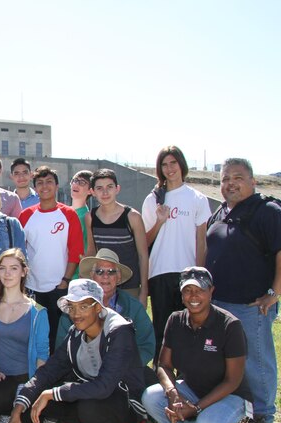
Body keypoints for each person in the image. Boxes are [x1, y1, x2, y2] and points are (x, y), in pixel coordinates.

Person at [5, 279, 147, 423]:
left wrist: (53, 393)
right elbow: (48, 371)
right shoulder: (75, 334)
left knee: (85, 405)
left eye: (83, 306)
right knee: (39, 399)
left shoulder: (119, 331)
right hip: (91, 393)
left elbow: (104, 386)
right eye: (72, 307)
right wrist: (17, 409)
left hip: (125, 401)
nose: (76, 314)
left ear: (98, 307)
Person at [205, 157, 281, 423]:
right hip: (219, 304)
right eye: (225, 179)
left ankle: (262, 416)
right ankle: (237, 410)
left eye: (238, 177)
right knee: (228, 362)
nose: (230, 183)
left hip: (250, 306)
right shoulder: (220, 212)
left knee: (256, 362)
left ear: (252, 182)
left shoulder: (266, 211)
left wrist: (274, 293)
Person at [142, 267, 250, 423]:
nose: (193, 296)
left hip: (230, 395)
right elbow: (164, 365)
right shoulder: (175, 320)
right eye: (187, 291)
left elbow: (233, 380)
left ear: (211, 292)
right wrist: (173, 395)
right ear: (181, 295)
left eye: (200, 290)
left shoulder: (230, 325)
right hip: (192, 387)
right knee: (151, 397)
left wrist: (197, 408)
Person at [142, 145, 211, 361]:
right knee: (162, 328)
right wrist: (160, 221)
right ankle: (160, 376)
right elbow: (144, 241)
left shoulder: (198, 199)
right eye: (164, 164)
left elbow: (201, 241)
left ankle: (188, 378)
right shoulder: (153, 199)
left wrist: (200, 276)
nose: (169, 168)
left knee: (190, 328)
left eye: (173, 163)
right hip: (160, 273)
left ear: (181, 165)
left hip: (187, 275)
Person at [0, 249, 48, 423]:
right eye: (2, 268)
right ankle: (7, 413)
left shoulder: (38, 312)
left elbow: (42, 354)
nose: (7, 274)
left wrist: (35, 388)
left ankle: (24, 405)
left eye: (13, 268)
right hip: (1, 376)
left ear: (24, 272)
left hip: (27, 378)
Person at [19, 166, 84, 353]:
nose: (44, 186)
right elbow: (20, 251)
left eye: (49, 182)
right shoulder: (26, 215)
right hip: (32, 288)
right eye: (39, 183)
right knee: (36, 335)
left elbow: (75, 251)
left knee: (59, 337)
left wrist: (65, 281)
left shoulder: (68, 214)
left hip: (59, 287)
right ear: (35, 188)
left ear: (57, 186)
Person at [56, 249, 155, 369]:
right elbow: (62, 348)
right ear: (92, 277)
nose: (105, 276)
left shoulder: (134, 307)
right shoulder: (74, 307)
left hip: (125, 372)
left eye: (111, 272)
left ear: (118, 277)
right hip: (83, 373)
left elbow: (146, 346)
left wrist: (124, 367)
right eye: (99, 271)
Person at [85, 169, 149, 302]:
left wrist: (144, 291)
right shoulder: (90, 217)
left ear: (117, 189)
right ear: (92, 192)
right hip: (102, 286)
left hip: (130, 286)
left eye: (109, 187)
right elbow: (92, 251)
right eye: (99, 188)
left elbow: (143, 255)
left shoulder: (132, 217)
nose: (105, 192)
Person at [69, 170, 92, 279]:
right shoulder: (64, 213)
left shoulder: (86, 217)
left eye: (82, 182)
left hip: (74, 277)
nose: (76, 184)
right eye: (75, 181)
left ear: (90, 191)